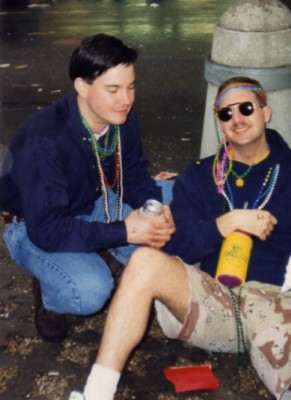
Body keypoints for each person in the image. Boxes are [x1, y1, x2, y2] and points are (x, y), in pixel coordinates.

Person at [68, 76, 291, 400]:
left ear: (266, 112)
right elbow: (175, 244)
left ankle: (283, 367)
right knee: (144, 261)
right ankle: (96, 393)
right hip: (215, 301)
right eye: (226, 114)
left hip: (281, 300)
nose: (237, 119)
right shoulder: (202, 175)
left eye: (246, 108)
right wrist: (224, 224)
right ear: (219, 123)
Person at [0, 33, 175, 343]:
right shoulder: (43, 140)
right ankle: (51, 294)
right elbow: (49, 230)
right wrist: (125, 231)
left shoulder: (120, 116)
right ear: (82, 86)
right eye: (113, 89)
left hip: (94, 201)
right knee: (90, 291)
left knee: (174, 217)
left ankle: (96, 246)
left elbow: (132, 172)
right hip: (34, 224)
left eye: (131, 87)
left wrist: (155, 208)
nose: (126, 99)